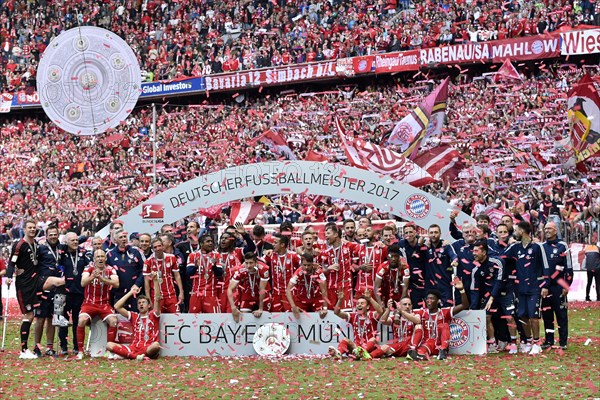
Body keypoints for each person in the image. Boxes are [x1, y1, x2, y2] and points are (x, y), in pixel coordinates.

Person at [5, 220, 66, 359]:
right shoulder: (19, 245)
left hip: (36, 281)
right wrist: (9, 275)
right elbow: (11, 262)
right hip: (24, 284)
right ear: (24, 229)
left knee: (60, 282)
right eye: (30, 228)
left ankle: (58, 314)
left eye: (34, 228)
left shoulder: (37, 245)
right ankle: (24, 350)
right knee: (29, 316)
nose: (32, 230)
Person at [502, 221, 549, 355]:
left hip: (534, 287)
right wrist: (509, 244)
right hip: (519, 287)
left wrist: (545, 285)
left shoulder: (537, 247)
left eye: (516, 230)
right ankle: (528, 341)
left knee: (534, 316)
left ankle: (536, 342)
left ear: (522, 231)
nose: (514, 233)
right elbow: (502, 257)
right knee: (522, 315)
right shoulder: (515, 247)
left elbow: (545, 266)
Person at [106, 271, 161, 360]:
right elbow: (117, 306)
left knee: (156, 346)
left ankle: (127, 355)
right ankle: (135, 356)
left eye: (143, 302)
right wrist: (131, 292)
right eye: (139, 303)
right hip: (134, 347)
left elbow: (157, 299)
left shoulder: (153, 315)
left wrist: (155, 281)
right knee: (109, 345)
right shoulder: (134, 316)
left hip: (148, 347)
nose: (141, 304)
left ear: (149, 305)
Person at [77, 249, 120, 360]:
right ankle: (80, 351)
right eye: (98, 257)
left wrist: (102, 279)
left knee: (113, 321)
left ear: (105, 258)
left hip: (104, 304)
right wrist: (92, 277)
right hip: (89, 303)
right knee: (81, 320)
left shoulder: (111, 269)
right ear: (94, 259)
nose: (100, 258)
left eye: (102, 256)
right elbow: (82, 283)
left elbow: (116, 283)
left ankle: (109, 351)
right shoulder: (88, 268)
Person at [415, 278, 469, 360]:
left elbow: (464, 305)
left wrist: (461, 290)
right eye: (427, 299)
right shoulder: (421, 312)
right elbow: (406, 311)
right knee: (419, 353)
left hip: (440, 344)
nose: (429, 301)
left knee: (444, 325)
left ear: (438, 301)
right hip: (427, 343)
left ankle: (443, 350)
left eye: (432, 299)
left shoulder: (444, 312)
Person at [58, 232, 91, 356]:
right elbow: (58, 246)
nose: (75, 242)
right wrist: (81, 238)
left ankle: (77, 346)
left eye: (77, 240)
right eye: (72, 240)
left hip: (79, 292)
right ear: (66, 242)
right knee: (63, 321)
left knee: (77, 320)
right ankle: (63, 346)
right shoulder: (62, 253)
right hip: (64, 292)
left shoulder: (83, 253)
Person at [541, 222, 572, 349]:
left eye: (549, 228)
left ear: (555, 231)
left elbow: (569, 268)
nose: (547, 231)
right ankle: (549, 340)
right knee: (547, 316)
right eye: (545, 229)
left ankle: (563, 342)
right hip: (545, 288)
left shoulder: (563, 246)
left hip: (559, 287)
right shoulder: (541, 247)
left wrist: (567, 285)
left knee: (561, 315)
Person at [470, 240, 506, 353]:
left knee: (509, 317)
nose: (474, 253)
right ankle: (492, 343)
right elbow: (474, 290)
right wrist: (473, 309)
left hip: (504, 292)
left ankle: (512, 341)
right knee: (486, 317)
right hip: (487, 295)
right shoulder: (475, 269)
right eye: (473, 251)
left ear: (484, 252)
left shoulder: (497, 262)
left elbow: (499, 282)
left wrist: (492, 297)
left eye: (476, 251)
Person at [329, 289, 385, 360]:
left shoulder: (372, 315)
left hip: (370, 348)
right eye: (358, 303)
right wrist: (340, 300)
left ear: (367, 307)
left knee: (374, 339)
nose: (359, 305)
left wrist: (370, 298)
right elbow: (336, 312)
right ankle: (338, 353)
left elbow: (380, 311)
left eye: (362, 303)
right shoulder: (353, 316)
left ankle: (361, 353)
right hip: (355, 348)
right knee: (345, 339)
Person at [106, 229, 144, 312]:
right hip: (118, 294)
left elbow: (143, 270)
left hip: (135, 292)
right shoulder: (110, 255)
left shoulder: (135, 252)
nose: (124, 239)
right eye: (121, 237)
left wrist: (137, 284)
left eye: (125, 237)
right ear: (115, 240)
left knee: (136, 317)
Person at [320, 223, 355, 311]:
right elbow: (320, 272)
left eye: (328, 233)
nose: (326, 236)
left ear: (336, 234)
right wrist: (328, 268)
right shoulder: (325, 252)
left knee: (346, 314)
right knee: (331, 316)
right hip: (330, 288)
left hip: (345, 286)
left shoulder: (349, 247)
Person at [143, 238, 184, 313]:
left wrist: (181, 292)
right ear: (152, 249)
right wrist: (148, 300)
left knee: (177, 317)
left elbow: (177, 276)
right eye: (155, 247)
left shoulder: (171, 258)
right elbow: (146, 283)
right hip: (156, 297)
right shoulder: (148, 262)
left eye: (159, 246)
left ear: (162, 246)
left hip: (170, 295)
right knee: (157, 319)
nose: (158, 249)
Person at [423, 224, 459, 307]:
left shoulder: (446, 245)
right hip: (430, 286)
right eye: (431, 232)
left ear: (440, 233)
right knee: (431, 312)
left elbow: (454, 256)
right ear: (428, 234)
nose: (433, 235)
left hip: (445, 285)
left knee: (446, 312)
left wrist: (454, 261)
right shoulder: (425, 247)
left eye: (436, 232)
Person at [228, 252, 270, 322]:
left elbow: (262, 289)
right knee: (244, 318)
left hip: (263, 294)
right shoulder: (240, 270)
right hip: (248, 293)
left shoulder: (263, 269)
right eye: (246, 263)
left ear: (256, 262)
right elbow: (230, 289)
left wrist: (260, 309)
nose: (248, 266)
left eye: (251, 263)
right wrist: (233, 308)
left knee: (264, 317)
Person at [264, 233, 301, 312]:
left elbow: (304, 265)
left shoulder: (294, 256)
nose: (273, 244)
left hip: (290, 294)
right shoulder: (270, 255)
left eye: (275, 243)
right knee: (276, 321)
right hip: (276, 295)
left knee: (291, 320)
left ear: (282, 244)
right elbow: (257, 262)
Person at [187, 235, 223, 313]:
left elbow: (220, 273)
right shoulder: (193, 255)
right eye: (208, 241)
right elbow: (188, 274)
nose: (210, 243)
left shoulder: (216, 255)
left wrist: (214, 266)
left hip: (211, 293)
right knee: (193, 319)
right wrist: (195, 266)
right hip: (196, 293)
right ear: (201, 243)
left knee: (214, 319)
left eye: (211, 241)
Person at [286, 252, 329, 318]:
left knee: (322, 315)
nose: (306, 267)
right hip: (301, 299)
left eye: (308, 265)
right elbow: (288, 290)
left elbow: (324, 290)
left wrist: (325, 308)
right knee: (294, 314)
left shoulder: (319, 272)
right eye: (304, 265)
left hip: (316, 299)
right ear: (301, 264)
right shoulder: (298, 273)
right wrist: (293, 306)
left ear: (312, 264)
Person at [398, 223, 427, 308]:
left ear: (415, 232)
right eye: (406, 233)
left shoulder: (424, 242)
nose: (408, 234)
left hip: (426, 280)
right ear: (403, 235)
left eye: (410, 232)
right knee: (415, 306)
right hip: (412, 281)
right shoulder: (401, 244)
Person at [354, 226, 387, 297]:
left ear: (375, 234)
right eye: (365, 231)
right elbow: (352, 265)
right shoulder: (358, 248)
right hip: (361, 287)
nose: (365, 232)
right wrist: (360, 267)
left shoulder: (381, 248)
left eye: (368, 231)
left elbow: (388, 264)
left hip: (377, 288)